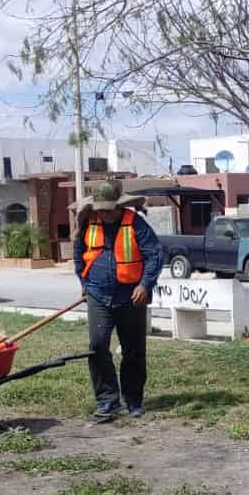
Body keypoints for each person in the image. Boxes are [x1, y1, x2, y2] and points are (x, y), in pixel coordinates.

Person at [73, 179, 162, 421]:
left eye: (110, 209)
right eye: (101, 210)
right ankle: (107, 400)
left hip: (131, 297)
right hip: (98, 295)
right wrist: (84, 284)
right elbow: (79, 255)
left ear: (119, 206)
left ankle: (133, 400)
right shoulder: (88, 223)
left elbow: (154, 255)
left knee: (133, 350)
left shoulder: (136, 224)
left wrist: (145, 284)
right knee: (97, 345)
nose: (106, 214)